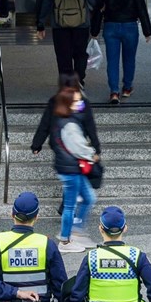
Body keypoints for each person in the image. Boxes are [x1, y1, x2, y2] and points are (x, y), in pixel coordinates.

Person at [91, 0, 151, 104]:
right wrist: (147, 31)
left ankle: (114, 92)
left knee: (112, 61)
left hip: (110, 26)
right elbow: (141, 8)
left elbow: (98, 8)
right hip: (130, 26)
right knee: (129, 58)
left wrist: (94, 31)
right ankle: (127, 87)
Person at [36, 0, 97, 86]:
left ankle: (67, 83)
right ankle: (79, 78)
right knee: (81, 54)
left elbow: (44, 4)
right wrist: (97, 23)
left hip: (59, 25)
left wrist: (40, 25)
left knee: (63, 55)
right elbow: (95, 2)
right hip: (82, 24)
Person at [51, 87, 98, 253]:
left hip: (70, 167)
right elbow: (78, 147)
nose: (80, 103)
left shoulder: (63, 118)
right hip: (70, 169)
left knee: (89, 198)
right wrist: (91, 154)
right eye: (77, 101)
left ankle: (76, 231)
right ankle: (65, 240)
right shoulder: (69, 124)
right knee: (70, 206)